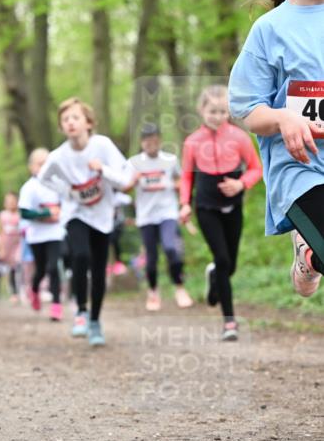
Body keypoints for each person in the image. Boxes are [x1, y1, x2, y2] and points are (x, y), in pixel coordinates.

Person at [228, 0, 324, 297]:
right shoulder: (270, 30)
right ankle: (310, 249)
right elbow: (246, 108)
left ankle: (309, 254)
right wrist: (285, 119)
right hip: (301, 169)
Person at [39, 98, 134, 346]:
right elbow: (43, 177)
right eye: (65, 120)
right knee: (80, 255)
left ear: (88, 123)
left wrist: (102, 169)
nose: (71, 123)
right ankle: (81, 310)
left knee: (99, 270)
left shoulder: (102, 146)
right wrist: (67, 191)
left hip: (103, 216)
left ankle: (94, 321)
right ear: (61, 127)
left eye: (75, 118)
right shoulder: (59, 155)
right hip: (76, 214)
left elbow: (124, 179)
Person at [180, 86, 262, 340]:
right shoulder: (192, 142)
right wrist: (184, 203)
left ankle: (214, 277)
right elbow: (186, 176)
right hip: (206, 207)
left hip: (233, 206)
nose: (217, 116)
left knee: (230, 265)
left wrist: (241, 184)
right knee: (223, 259)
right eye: (212, 111)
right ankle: (229, 323)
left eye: (223, 111)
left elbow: (256, 169)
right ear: (201, 110)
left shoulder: (240, 138)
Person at [129, 123, 193, 311]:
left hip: (167, 212)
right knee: (151, 258)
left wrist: (175, 189)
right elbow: (124, 185)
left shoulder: (170, 160)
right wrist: (134, 180)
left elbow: (182, 181)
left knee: (171, 248)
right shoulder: (133, 162)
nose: (151, 143)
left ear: (160, 140)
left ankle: (179, 288)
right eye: (147, 140)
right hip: (146, 216)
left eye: (154, 139)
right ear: (142, 142)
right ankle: (153, 291)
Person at [18, 147, 65, 320]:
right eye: (39, 164)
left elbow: (66, 204)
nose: (43, 167)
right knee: (42, 269)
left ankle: (56, 304)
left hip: (55, 233)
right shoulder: (29, 188)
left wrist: (59, 212)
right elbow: (24, 213)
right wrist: (45, 214)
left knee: (54, 267)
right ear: (32, 167)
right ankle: (34, 289)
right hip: (37, 235)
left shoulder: (58, 184)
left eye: (47, 164)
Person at [0, 191, 22, 302]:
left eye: (13, 201)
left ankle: (25, 290)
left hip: (19, 244)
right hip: (7, 245)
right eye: (8, 201)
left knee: (20, 265)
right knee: (11, 269)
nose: (10, 203)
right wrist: (0, 248)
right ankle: (14, 292)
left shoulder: (20, 215)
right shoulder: (2, 215)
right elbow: (0, 232)